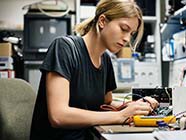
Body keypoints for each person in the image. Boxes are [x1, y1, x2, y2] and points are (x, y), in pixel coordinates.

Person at [30, 0, 159, 140]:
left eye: (131, 33)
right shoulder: (64, 48)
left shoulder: (105, 60)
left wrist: (134, 106)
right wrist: (121, 116)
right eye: (123, 29)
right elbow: (58, 116)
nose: (127, 39)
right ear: (102, 21)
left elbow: (106, 103)